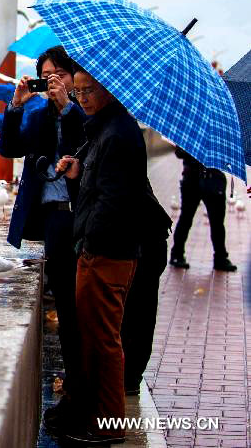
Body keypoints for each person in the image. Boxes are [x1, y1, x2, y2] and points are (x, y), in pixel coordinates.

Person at [56, 64, 170, 446]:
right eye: (78, 92)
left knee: (104, 339)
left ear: (109, 90)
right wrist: (78, 171)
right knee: (95, 336)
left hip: (107, 252)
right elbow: (99, 184)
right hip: (103, 248)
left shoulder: (118, 134)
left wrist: (89, 241)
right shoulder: (108, 128)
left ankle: (107, 426)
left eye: (89, 91)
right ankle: (97, 417)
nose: (83, 98)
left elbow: (115, 199)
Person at [0, 46, 85, 430]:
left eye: (58, 75)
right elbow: (11, 148)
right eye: (45, 75)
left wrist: (67, 105)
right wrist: (16, 106)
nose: (52, 82)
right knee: (66, 304)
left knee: (75, 307)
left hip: (78, 217)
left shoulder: (83, 111)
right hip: (50, 219)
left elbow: (86, 139)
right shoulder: (40, 112)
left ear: (73, 76)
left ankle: (79, 391)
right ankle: (74, 388)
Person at [169, 147, 237, 271]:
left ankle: (220, 258)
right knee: (186, 218)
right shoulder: (193, 131)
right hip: (192, 179)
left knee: (217, 223)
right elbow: (179, 153)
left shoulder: (216, 135)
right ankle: (177, 254)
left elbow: (228, 157)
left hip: (213, 180)